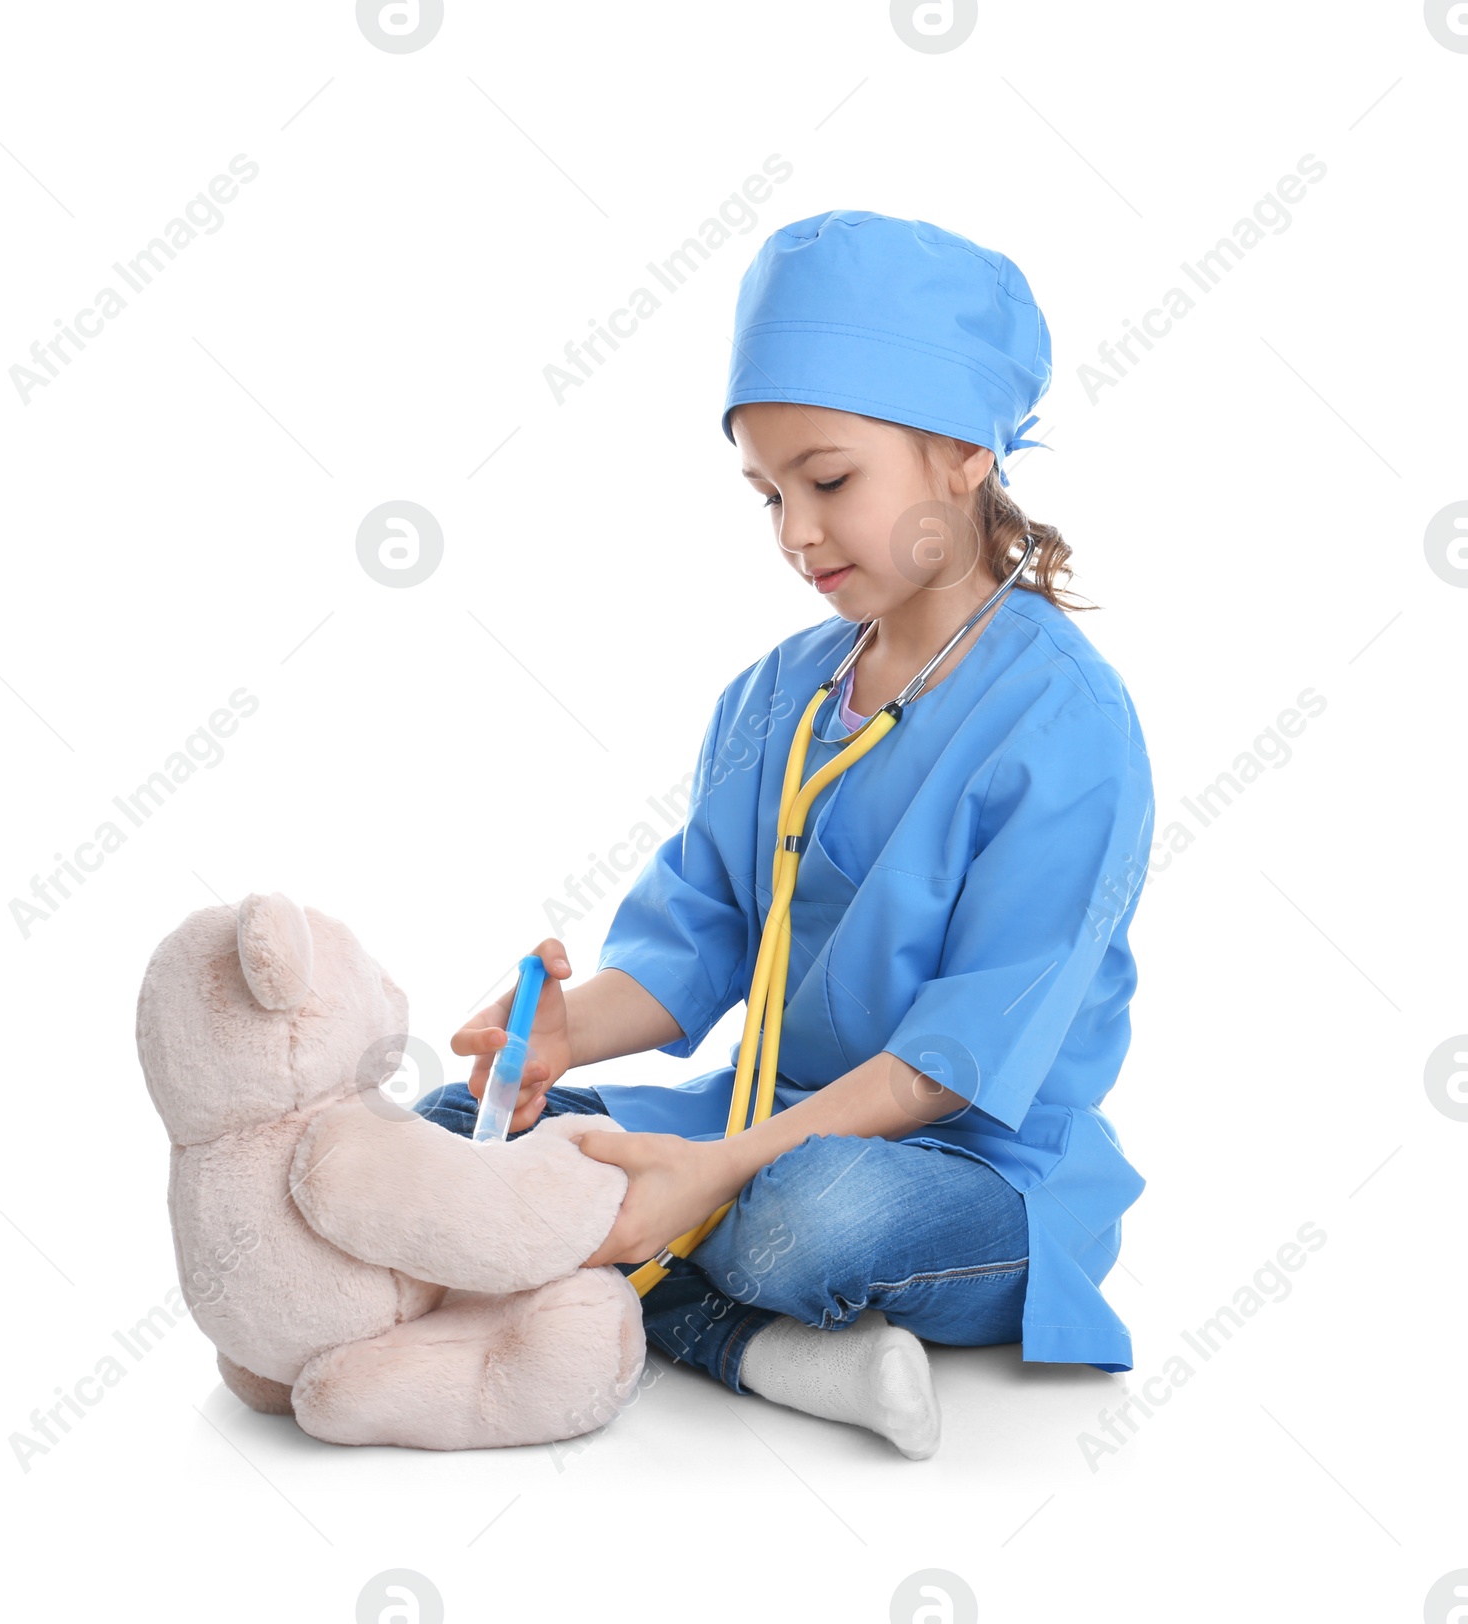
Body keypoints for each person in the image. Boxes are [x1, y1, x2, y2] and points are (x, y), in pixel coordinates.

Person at [416, 210, 1154, 1461]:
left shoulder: (1065, 726)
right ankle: (765, 1347)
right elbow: (692, 942)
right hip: (765, 1118)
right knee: (452, 1127)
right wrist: (549, 1040)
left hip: (960, 1174)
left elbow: (946, 1067)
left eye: (828, 481)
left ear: (965, 452)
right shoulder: (780, 697)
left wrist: (711, 1171)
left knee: (801, 1227)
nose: (794, 535)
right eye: (766, 494)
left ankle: (681, 1298)